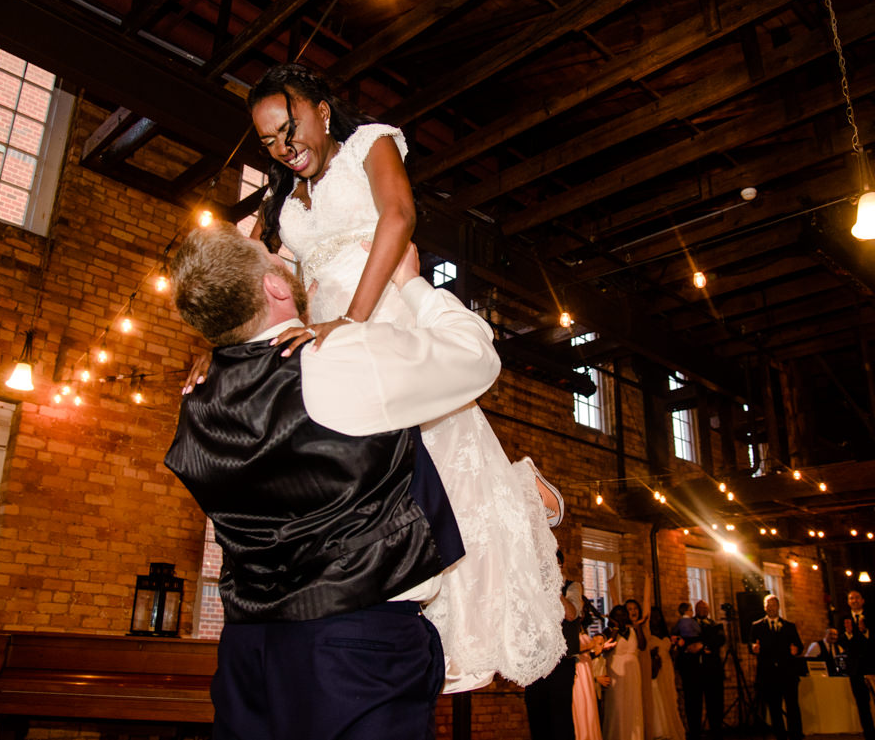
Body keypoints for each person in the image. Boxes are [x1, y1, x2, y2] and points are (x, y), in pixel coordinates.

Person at [244, 61, 565, 691]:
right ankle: (403, 611)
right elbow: (263, 274)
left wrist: (352, 320)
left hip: (379, 306)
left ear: (322, 111)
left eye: (292, 127)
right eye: (270, 142)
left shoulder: (371, 144)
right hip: (327, 340)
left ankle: (522, 497)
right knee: (381, 473)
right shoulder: (287, 199)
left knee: (437, 449)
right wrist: (227, 340)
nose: (286, 148)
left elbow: (399, 218)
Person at [165, 225, 480, 739]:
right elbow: (475, 356)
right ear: (276, 287)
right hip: (355, 646)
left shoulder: (196, 399)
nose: (279, 255)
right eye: (270, 254)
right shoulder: (338, 358)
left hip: (249, 651)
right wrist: (412, 283)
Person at [527, 550, 584, 740]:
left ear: (560, 566)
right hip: (537, 663)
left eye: (554, 564)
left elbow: (571, 614)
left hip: (562, 663)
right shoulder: (534, 590)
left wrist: (554, 590)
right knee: (537, 716)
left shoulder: (572, 587)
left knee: (560, 719)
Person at [749, 595, 804, 740]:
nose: (770, 607)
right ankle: (780, 736)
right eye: (768, 604)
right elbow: (751, 644)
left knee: (792, 707)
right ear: (764, 607)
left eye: (773, 604)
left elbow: (799, 645)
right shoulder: (757, 626)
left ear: (778, 607)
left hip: (788, 674)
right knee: (774, 709)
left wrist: (796, 649)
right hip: (768, 675)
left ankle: (796, 735)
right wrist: (753, 647)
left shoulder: (789, 626)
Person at [837, 590, 875, 740]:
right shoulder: (843, 619)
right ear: (848, 602)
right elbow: (841, 641)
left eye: (857, 598)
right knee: (862, 704)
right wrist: (850, 634)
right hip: (856, 668)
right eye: (851, 598)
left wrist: (865, 632)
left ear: (862, 600)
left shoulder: (874, 616)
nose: (854, 600)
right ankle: (869, 735)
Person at [676, 600, 724, 740]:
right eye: (699, 607)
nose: (703, 610)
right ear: (695, 610)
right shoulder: (687, 624)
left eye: (705, 607)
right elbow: (679, 639)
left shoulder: (716, 625)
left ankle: (716, 732)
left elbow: (720, 639)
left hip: (712, 672)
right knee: (692, 706)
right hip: (692, 673)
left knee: (715, 705)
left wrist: (702, 645)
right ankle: (694, 733)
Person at [601, 605, 646, 740]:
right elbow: (607, 650)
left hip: (633, 670)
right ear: (613, 617)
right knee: (617, 705)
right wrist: (615, 629)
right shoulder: (608, 631)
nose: (621, 618)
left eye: (623, 614)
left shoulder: (633, 630)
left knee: (634, 703)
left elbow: (643, 646)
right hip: (616, 670)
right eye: (617, 615)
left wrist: (637, 627)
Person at [646, 606, 686, 740]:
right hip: (656, 668)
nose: (656, 619)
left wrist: (675, 647)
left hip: (668, 666)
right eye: (653, 616)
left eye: (658, 616)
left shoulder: (665, 633)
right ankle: (661, 729)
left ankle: (672, 728)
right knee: (659, 698)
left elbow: (672, 654)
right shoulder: (647, 634)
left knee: (670, 697)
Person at [624, 599, 655, 735]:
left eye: (635, 608)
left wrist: (637, 627)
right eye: (630, 609)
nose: (633, 611)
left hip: (637, 666)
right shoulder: (621, 628)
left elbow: (642, 646)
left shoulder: (638, 628)